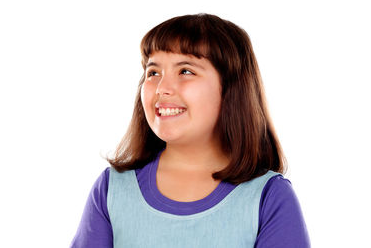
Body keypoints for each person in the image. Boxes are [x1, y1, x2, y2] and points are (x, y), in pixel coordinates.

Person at [70, 13, 311, 248]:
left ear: (231, 88)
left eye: (186, 71)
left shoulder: (269, 197)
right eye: (153, 72)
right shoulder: (111, 190)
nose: (162, 88)